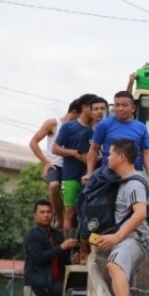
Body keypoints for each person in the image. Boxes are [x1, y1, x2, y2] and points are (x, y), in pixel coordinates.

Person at [92, 138, 149, 296]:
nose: (107, 158)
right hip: (127, 240)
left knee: (115, 264)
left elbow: (140, 213)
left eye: (110, 154)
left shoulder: (135, 183)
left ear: (121, 157)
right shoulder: (122, 182)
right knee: (122, 278)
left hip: (135, 238)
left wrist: (116, 237)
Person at [24, 200, 78, 296]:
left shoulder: (57, 235)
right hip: (43, 284)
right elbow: (40, 257)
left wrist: (72, 259)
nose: (46, 215)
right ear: (35, 215)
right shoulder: (32, 236)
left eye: (48, 212)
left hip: (56, 281)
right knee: (70, 294)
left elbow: (63, 259)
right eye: (42, 212)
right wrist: (62, 247)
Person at [29, 98, 81, 228]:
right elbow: (33, 142)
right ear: (74, 113)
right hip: (55, 165)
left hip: (70, 167)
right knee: (53, 185)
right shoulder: (54, 123)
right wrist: (45, 161)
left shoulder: (79, 129)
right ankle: (60, 218)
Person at [51, 94, 99, 235]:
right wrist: (74, 153)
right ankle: (69, 248)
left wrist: (92, 158)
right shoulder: (68, 126)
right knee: (70, 214)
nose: (97, 111)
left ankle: (84, 250)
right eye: (93, 107)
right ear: (84, 107)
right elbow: (55, 148)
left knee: (88, 216)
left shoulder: (97, 129)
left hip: (91, 179)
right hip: (71, 176)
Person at [85, 91, 149, 185]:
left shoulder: (141, 127)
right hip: (108, 176)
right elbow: (94, 149)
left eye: (124, 105)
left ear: (133, 108)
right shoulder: (104, 125)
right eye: (117, 105)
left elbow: (146, 153)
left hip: (134, 176)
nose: (120, 108)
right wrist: (89, 173)